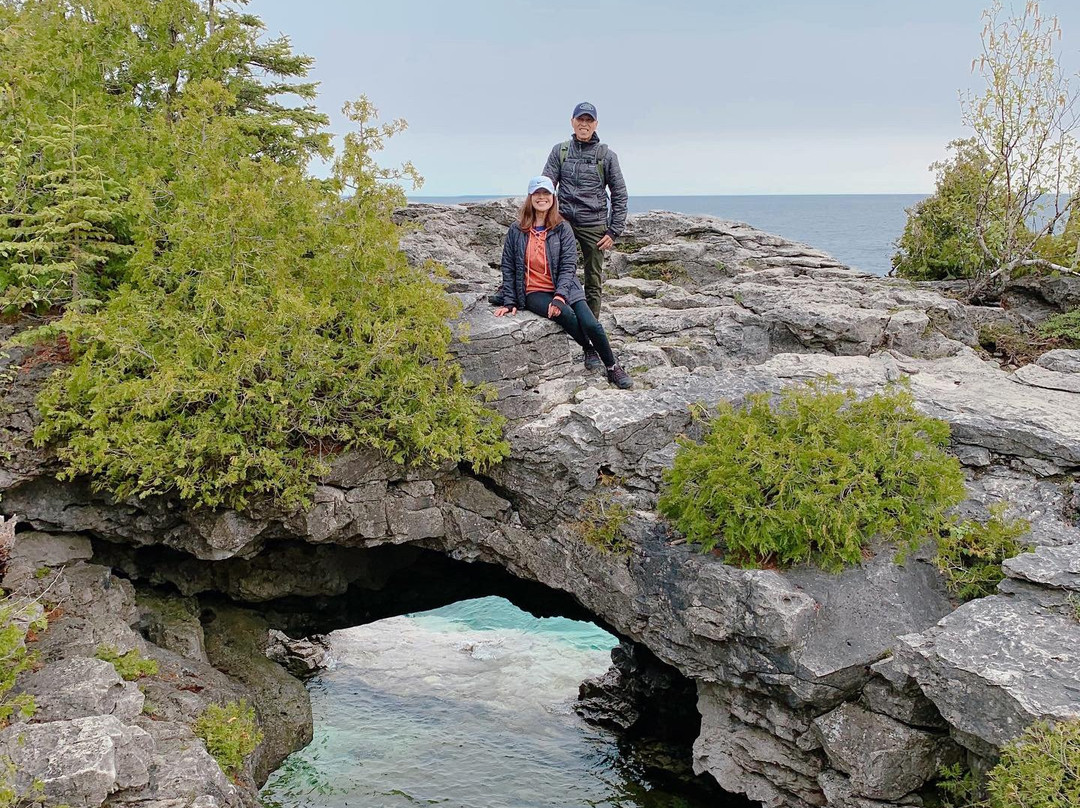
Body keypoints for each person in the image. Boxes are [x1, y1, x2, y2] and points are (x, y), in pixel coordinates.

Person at [493, 176, 632, 390]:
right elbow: (509, 266)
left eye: (546, 193)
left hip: (566, 286)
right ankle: (587, 348)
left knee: (590, 323)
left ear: (553, 197)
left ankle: (613, 367)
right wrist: (510, 301)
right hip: (533, 290)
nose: (542, 198)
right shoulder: (516, 230)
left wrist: (560, 296)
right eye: (537, 194)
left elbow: (569, 266)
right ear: (530, 198)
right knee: (563, 314)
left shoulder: (562, 228)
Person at [542, 101, 628, 328]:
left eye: (589, 120)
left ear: (596, 124)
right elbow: (546, 187)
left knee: (592, 280)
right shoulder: (560, 151)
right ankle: (561, 318)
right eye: (581, 119)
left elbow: (619, 193)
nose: (584, 124)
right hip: (564, 222)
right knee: (557, 270)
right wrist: (543, 221)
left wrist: (614, 230)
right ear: (572, 122)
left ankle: (591, 328)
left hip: (595, 224)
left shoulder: (607, 156)